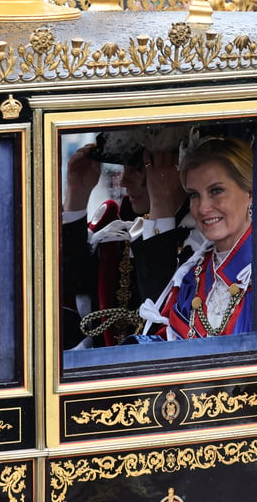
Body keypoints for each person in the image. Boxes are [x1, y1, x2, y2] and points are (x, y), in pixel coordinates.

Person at [61, 125, 196, 347]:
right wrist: (77, 195)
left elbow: (160, 313)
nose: (123, 182)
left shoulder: (202, 239)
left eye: (137, 168)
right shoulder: (120, 235)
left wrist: (162, 203)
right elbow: (69, 288)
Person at [158, 135, 254, 340]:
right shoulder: (192, 277)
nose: (202, 208)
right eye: (194, 195)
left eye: (216, 191)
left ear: (250, 192)